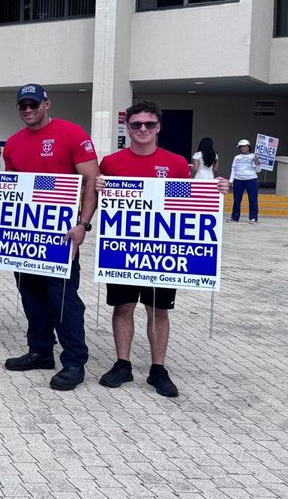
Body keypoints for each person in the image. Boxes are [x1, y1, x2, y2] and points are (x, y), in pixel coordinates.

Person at [95, 101, 229, 398]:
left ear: (159, 127)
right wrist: (100, 186)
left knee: (158, 310)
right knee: (124, 307)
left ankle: (158, 369)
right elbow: (99, 198)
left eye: (149, 124)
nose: (143, 129)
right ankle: (123, 364)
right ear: (127, 128)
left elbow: (190, 204)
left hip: (162, 251)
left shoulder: (177, 164)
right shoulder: (111, 163)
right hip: (124, 249)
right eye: (136, 124)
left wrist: (216, 192)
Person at [1, 83, 99, 391]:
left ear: (47, 104)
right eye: (22, 106)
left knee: (63, 300)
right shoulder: (14, 144)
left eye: (33, 104)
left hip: (61, 237)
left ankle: (74, 361)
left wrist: (83, 224)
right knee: (30, 295)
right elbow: (10, 191)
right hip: (25, 236)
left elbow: (92, 182)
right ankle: (40, 351)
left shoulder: (71, 134)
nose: (28, 110)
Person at [229, 139, 261, 223]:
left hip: (251, 180)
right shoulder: (236, 157)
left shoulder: (254, 156)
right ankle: (234, 217)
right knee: (237, 199)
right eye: (240, 147)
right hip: (238, 180)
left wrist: (257, 162)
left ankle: (253, 217)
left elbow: (258, 170)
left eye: (244, 146)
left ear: (248, 147)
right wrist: (231, 180)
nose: (242, 148)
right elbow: (233, 169)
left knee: (253, 199)